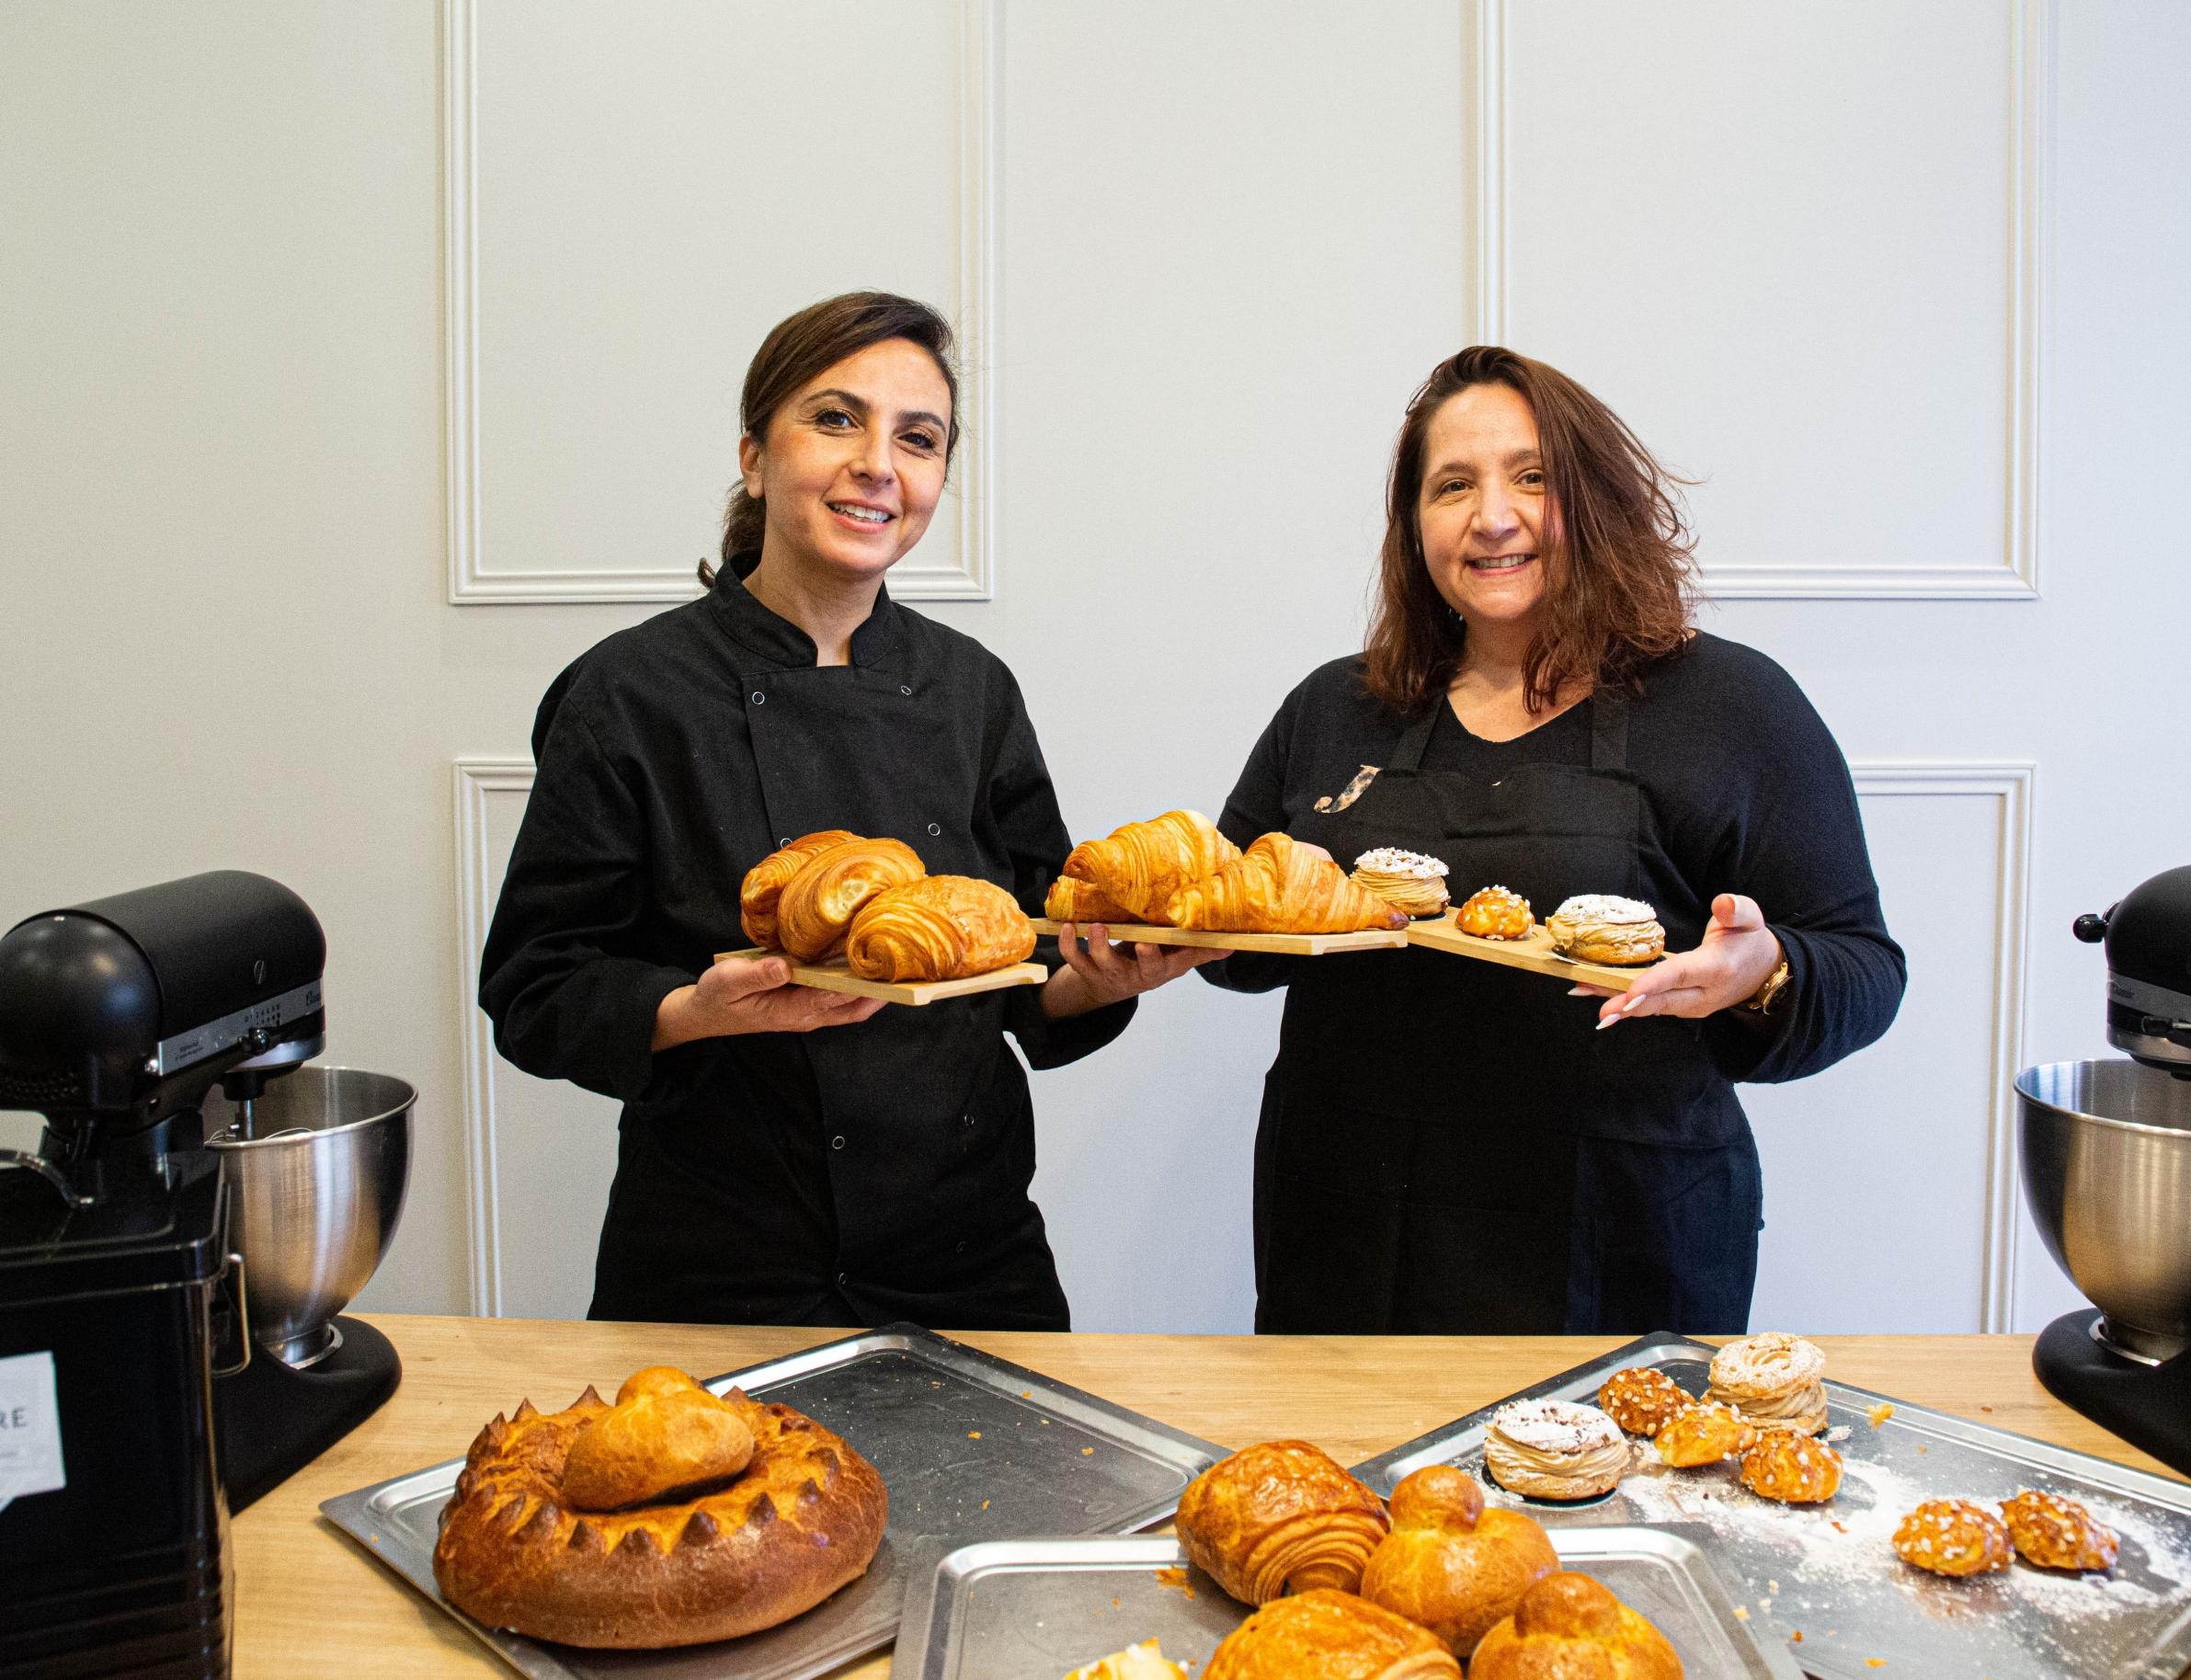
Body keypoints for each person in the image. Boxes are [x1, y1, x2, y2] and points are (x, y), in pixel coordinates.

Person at [478, 291, 1209, 1331]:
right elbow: (535, 986)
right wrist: (696, 1009)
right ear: (752, 457)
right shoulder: (628, 694)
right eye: (835, 419)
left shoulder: (972, 692)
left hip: (968, 1255)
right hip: (718, 1260)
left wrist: (1098, 980)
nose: (878, 462)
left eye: (918, 439)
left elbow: (1029, 965)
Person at [1204, 346, 1906, 1336]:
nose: (1492, 516)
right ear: (1414, 528)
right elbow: (1235, 942)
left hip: (1620, 1247)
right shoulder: (1336, 708)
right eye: (1453, 486)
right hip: (1350, 1242)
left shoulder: (1730, 706)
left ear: (1597, 497)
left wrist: (1766, 971)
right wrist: (1166, 939)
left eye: (1532, 477)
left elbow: (1865, 970)